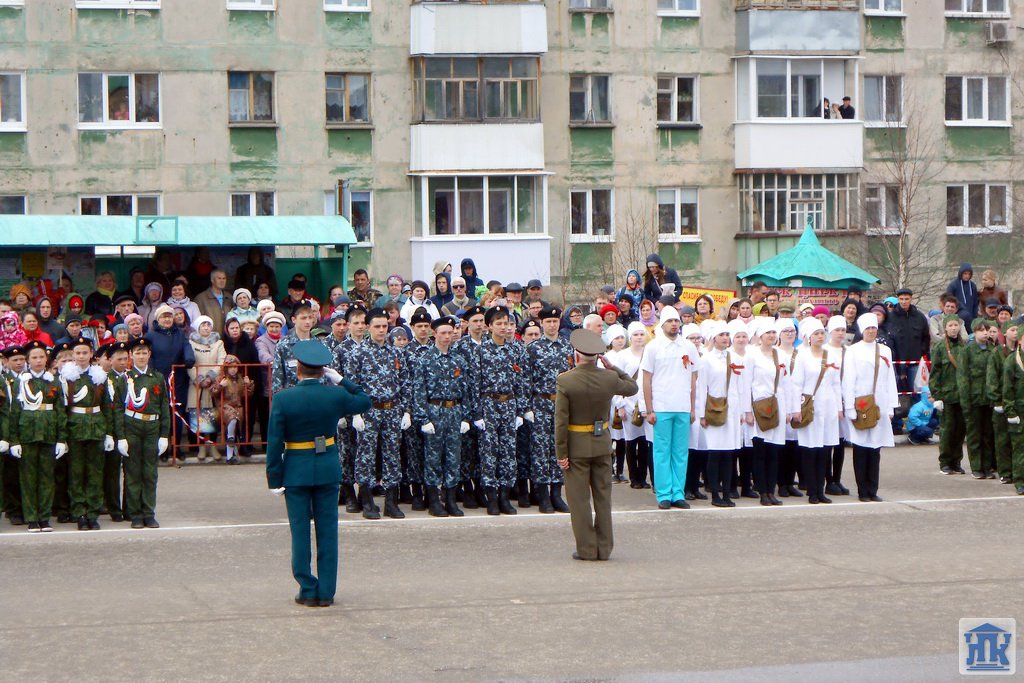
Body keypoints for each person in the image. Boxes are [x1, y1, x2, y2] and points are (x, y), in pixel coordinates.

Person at [265, 340, 370, 608]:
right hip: (327, 468)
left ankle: (307, 588)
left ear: (298, 369)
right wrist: (342, 380)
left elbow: (274, 441)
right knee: (328, 531)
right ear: (324, 371)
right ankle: (326, 591)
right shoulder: (335, 395)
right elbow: (365, 400)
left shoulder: (283, 398)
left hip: (296, 470)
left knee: (300, 532)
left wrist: (274, 478)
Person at [555, 329, 638, 561]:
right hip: (602, 444)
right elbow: (632, 387)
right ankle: (604, 547)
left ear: (576, 355)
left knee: (579, 501)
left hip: (576, 448)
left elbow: (561, 421)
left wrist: (561, 453)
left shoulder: (566, 380)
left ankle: (587, 549)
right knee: (603, 498)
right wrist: (613, 368)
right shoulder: (609, 378)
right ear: (598, 357)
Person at [347, 308, 411, 519]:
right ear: (368, 327)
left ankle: (391, 502)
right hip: (369, 411)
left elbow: (404, 383)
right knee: (366, 456)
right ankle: (367, 501)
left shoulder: (396, 353)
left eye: (385, 326)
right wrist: (355, 413)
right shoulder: (357, 353)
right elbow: (351, 385)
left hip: (392, 410)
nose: (382, 330)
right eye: (377, 326)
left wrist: (406, 411)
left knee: (392, 455)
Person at [641, 306, 700, 510]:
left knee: (680, 452)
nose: (674, 324)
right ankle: (664, 493)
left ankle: (678, 492)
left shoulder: (688, 346)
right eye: (669, 321)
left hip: (682, 406)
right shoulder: (653, 347)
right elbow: (646, 379)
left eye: (676, 321)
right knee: (662, 452)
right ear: (662, 325)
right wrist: (649, 409)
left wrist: (692, 408)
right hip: (662, 406)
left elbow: (693, 379)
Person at [411, 316, 470, 517]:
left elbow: (466, 390)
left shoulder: (459, 360)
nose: (447, 336)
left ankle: (451, 499)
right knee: (433, 457)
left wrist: (465, 417)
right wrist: (423, 419)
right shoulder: (425, 359)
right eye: (443, 333)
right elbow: (419, 391)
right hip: (434, 411)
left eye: (450, 333)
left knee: (453, 457)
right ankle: (434, 500)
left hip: (454, 411)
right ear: (434, 334)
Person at [474, 306, 529, 515]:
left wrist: (520, 411)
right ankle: (492, 498)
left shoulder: (515, 350)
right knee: (489, 453)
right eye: (499, 323)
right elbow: (475, 384)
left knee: (508, 452)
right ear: (489, 326)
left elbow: (521, 382)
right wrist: (477, 414)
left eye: (506, 323)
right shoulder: (481, 351)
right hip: (489, 403)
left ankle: (505, 497)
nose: (504, 327)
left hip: (509, 404)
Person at [111, 338, 171, 528]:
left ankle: (148, 513)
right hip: (132, 427)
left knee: (150, 473)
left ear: (149, 354)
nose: (141, 356)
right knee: (133, 472)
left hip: (152, 427)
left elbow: (164, 407)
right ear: (131, 355)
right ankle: (135, 514)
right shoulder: (125, 379)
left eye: (144, 353)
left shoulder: (157, 378)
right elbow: (118, 409)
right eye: (138, 353)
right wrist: (121, 437)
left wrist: (164, 435)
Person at [9, 340, 67, 532]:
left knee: (46, 477)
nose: (38, 360)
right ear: (28, 360)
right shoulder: (22, 382)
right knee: (28, 478)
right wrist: (14, 440)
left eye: (41, 356)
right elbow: (15, 412)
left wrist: (61, 439)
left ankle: (44, 517)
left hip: (49, 433)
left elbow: (60, 411)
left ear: (47, 359)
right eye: (34, 357)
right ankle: (32, 517)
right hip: (27, 433)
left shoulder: (54, 381)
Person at [842, 313, 899, 502]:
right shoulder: (853, 351)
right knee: (861, 448)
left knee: (875, 448)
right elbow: (848, 380)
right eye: (868, 328)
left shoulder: (885, 350)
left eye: (874, 328)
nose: (871, 331)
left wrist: (891, 406)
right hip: (861, 402)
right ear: (862, 330)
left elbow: (890, 379)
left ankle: (872, 489)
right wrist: (850, 407)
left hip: (880, 402)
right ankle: (862, 490)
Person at [526, 305, 574, 513]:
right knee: (540, 450)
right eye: (548, 322)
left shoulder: (567, 346)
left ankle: (556, 492)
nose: (552, 325)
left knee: (560, 447)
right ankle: (542, 495)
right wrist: (527, 408)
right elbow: (527, 380)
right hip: (541, 403)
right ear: (542, 323)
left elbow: (573, 376)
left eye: (555, 321)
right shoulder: (533, 348)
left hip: (562, 404)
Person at [59, 337, 110, 530]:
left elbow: (107, 406)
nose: (81, 356)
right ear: (73, 355)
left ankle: (93, 513)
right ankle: (79, 512)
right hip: (75, 427)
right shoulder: (66, 377)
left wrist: (109, 433)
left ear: (91, 355)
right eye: (78, 353)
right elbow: (62, 409)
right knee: (76, 472)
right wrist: (62, 436)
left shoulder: (99, 376)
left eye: (85, 353)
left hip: (96, 427)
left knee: (95, 472)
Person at [792, 318, 843, 504]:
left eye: (822, 333)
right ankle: (812, 491)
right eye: (816, 334)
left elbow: (836, 383)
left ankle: (821, 490)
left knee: (824, 450)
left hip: (828, 405)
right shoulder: (803, 356)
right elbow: (796, 384)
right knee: (810, 449)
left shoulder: (831, 355)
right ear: (809, 337)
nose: (820, 336)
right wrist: (796, 408)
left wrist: (839, 407)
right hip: (810, 407)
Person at [749, 318, 794, 506]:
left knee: (774, 451)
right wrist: (748, 411)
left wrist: (789, 409)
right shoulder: (752, 355)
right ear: (760, 336)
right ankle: (762, 491)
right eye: (768, 333)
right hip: (759, 406)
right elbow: (747, 384)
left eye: (774, 332)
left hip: (777, 404)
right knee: (761, 451)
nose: (771, 336)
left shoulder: (780, 355)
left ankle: (771, 490)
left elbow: (787, 383)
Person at [146, 304, 196, 461]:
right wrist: (151, 372)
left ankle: (177, 446)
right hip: (159, 380)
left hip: (178, 379)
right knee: (162, 414)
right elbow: (148, 355)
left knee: (177, 414)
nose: (167, 319)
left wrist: (189, 358)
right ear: (158, 319)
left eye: (169, 316)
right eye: (164, 316)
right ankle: (163, 449)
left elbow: (187, 347)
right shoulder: (151, 335)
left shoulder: (179, 333)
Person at [959, 319, 996, 479]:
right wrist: (965, 401)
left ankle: (987, 467)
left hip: (989, 399)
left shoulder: (993, 350)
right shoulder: (967, 351)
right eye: (981, 330)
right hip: (973, 399)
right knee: (974, 435)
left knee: (987, 435)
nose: (985, 333)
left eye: (987, 330)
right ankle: (976, 467)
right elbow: (963, 378)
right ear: (974, 332)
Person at [989, 322, 1017, 483]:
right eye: (1012, 330)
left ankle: (1018, 470)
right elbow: (992, 378)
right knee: (1003, 439)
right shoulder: (997, 353)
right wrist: (997, 400)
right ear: (1005, 333)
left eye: (1017, 330)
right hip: (1002, 401)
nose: (1015, 333)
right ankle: (1005, 472)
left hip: (1017, 401)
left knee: (1017, 440)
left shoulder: (1019, 353)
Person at [1001, 323, 1024, 495]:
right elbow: (1007, 389)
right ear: (1020, 341)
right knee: (1020, 448)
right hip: (1019, 411)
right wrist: (1010, 411)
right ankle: (1020, 481)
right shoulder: (1012, 361)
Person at [946, 263, 979, 328]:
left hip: (971, 316)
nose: (967, 276)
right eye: (965, 274)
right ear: (961, 273)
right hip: (957, 316)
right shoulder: (953, 285)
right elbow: (949, 301)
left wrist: (975, 317)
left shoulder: (973, 286)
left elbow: (975, 303)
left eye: (969, 274)